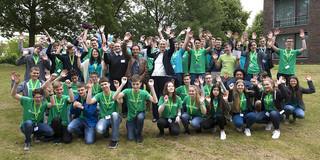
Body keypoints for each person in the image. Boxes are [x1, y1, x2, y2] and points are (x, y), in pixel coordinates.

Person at [11, 72, 55, 151]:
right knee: (28, 123)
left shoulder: (43, 104)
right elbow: (13, 95)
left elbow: (52, 104)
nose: (39, 99)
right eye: (36, 97)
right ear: (33, 97)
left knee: (50, 132)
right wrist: (16, 84)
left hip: (36, 125)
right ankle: (27, 141)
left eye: (40, 97)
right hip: (26, 126)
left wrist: (51, 93)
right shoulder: (27, 101)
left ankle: (36, 134)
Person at [112, 75, 158, 143]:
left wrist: (152, 87)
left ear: (140, 84)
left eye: (137, 84)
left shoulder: (144, 93)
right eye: (133, 84)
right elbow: (114, 97)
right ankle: (134, 127)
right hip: (131, 117)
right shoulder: (127, 91)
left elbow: (155, 101)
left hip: (140, 114)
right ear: (131, 84)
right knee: (131, 138)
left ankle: (139, 134)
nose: (135, 86)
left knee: (140, 117)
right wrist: (122, 84)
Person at [147, 27, 175, 122]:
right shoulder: (156, 54)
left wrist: (169, 36)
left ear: (166, 45)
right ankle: (155, 116)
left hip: (164, 77)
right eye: (161, 44)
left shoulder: (168, 53)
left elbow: (173, 47)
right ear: (158, 45)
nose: (162, 45)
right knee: (155, 96)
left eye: (164, 44)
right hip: (154, 77)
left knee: (163, 95)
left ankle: (164, 114)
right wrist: (148, 45)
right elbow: (148, 54)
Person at [86, 77, 121, 148]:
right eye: (102, 85)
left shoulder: (114, 93)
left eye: (105, 84)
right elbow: (88, 102)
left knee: (114, 114)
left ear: (109, 84)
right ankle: (106, 131)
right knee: (99, 129)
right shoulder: (99, 95)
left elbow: (120, 101)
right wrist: (90, 88)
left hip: (114, 118)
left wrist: (117, 87)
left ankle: (114, 140)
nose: (104, 86)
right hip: (104, 118)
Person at [103, 39, 128, 118]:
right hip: (113, 80)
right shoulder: (111, 56)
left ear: (120, 47)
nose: (117, 48)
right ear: (113, 48)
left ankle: (124, 112)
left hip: (123, 81)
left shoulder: (125, 56)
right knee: (113, 96)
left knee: (123, 96)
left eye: (118, 46)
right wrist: (105, 52)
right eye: (115, 46)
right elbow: (106, 60)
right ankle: (113, 111)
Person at [47, 80, 75, 144]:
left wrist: (69, 87)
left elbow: (72, 100)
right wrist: (50, 90)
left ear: (63, 89)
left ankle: (60, 135)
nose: (59, 91)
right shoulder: (51, 97)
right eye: (57, 90)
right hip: (54, 123)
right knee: (57, 120)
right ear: (54, 90)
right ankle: (57, 137)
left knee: (67, 141)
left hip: (64, 123)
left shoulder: (65, 98)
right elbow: (43, 89)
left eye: (61, 89)